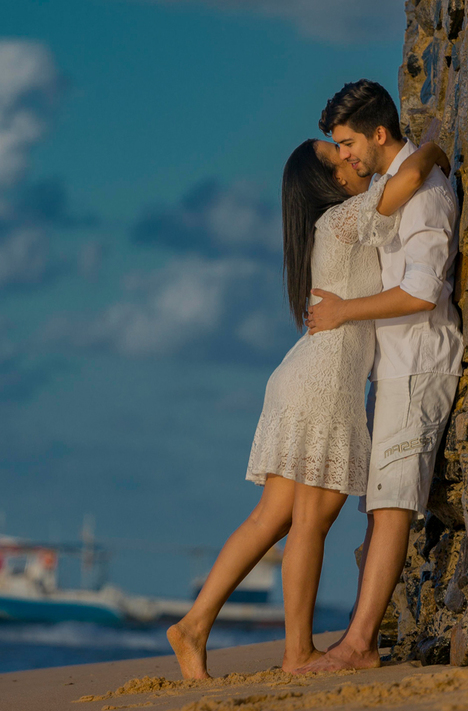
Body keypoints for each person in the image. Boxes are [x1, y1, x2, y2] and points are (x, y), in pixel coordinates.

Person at [166, 135, 450, 679]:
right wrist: (436, 146)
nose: (347, 158)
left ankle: (195, 624)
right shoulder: (343, 219)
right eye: (335, 156)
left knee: (272, 517)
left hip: (305, 377)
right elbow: (410, 179)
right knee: (309, 522)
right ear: (329, 183)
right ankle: (296, 651)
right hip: (323, 385)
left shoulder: (338, 226)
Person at [299, 79, 463, 673]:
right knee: (378, 502)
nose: (343, 156)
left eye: (346, 144)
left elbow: (421, 292)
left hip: (419, 361)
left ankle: (360, 644)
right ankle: (359, 634)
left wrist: (342, 311)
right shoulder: (400, 185)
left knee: (392, 501)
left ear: (377, 134)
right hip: (391, 367)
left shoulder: (425, 194)